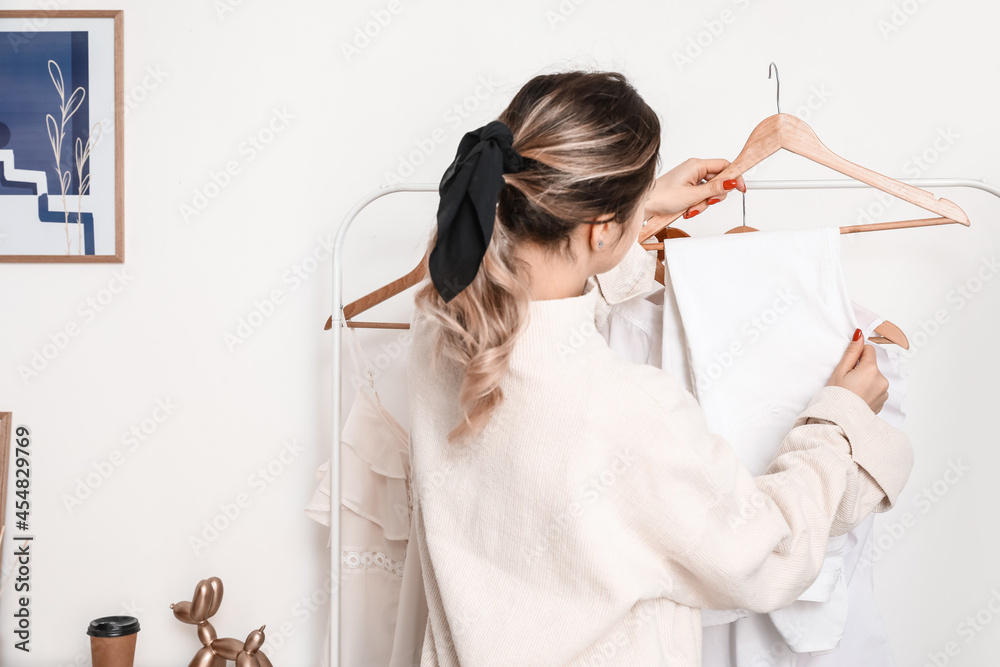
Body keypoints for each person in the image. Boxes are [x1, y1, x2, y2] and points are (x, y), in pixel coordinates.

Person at [405, 69, 913, 666]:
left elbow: (540, 304)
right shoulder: (627, 408)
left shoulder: (441, 327)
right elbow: (766, 556)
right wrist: (838, 425)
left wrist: (634, 212)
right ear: (600, 231)